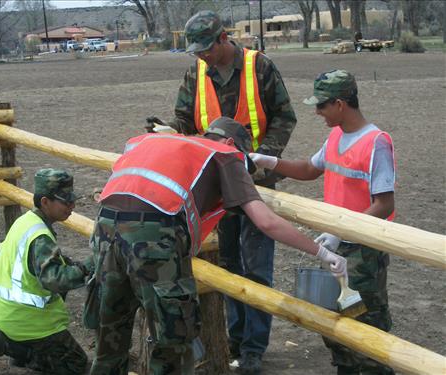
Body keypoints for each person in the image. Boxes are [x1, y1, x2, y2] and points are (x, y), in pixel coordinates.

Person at [88, 117, 346, 375]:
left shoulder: (161, 141)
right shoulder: (225, 154)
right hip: (152, 239)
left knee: (111, 332)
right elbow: (266, 222)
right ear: (232, 142)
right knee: (172, 342)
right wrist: (322, 252)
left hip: (104, 228)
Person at [146, 10, 297, 373]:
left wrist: (265, 158)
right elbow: (185, 119)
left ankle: (253, 350)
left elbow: (284, 115)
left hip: (256, 183)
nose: (202, 57)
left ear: (223, 39)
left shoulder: (259, 67)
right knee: (229, 264)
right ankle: (234, 336)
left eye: (206, 50)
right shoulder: (195, 72)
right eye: (196, 52)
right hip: (215, 183)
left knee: (257, 269)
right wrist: (167, 130)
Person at [250, 70, 395, 375]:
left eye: (322, 106)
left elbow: (384, 204)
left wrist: (341, 233)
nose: (316, 112)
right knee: (334, 318)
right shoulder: (336, 136)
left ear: (340, 104)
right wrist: (271, 162)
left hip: (363, 253)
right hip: (337, 246)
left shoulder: (376, 143)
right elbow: (309, 169)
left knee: (366, 322)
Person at [0, 169, 92, 375]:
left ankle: (14, 346)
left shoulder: (26, 222)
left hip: (1, 308)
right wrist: (88, 267)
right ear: (45, 202)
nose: (72, 206)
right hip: (27, 318)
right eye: (65, 201)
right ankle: (14, 346)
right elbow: (55, 281)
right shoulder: (40, 237)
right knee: (77, 365)